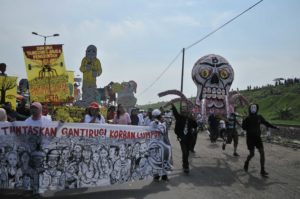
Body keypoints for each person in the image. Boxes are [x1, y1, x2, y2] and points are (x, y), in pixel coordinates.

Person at [242, 104, 279, 177]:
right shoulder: (247, 118)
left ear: (257, 109)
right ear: (249, 109)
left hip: (257, 138)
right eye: (252, 107)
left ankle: (262, 170)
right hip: (250, 138)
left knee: (262, 152)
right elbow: (244, 128)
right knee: (252, 154)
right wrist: (244, 121)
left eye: (255, 107)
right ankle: (246, 162)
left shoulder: (259, 117)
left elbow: (266, 123)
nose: (253, 109)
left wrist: (274, 127)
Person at [171, 104, 197, 174]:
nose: (184, 112)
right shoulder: (179, 117)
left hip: (189, 138)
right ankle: (186, 167)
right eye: (183, 111)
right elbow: (175, 113)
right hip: (181, 138)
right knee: (184, 152)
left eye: (185, 111)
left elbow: (195, 126)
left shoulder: (190, 118)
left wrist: (194, 119)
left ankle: (184, 163)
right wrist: (173, 106)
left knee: (187, 152)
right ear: (182, 112)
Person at [150, 109, 170, 182]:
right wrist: (156, 123)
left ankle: (164, 176)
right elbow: (150, 130)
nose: (160, 117)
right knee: (156, 160)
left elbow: (162, 131)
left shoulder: (163, 123)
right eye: (158, 116)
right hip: (155, 145)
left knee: (164, 160)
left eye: (158, 116)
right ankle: (156, 176)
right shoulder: (152, 123)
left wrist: (159, 123)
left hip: (163, 145)